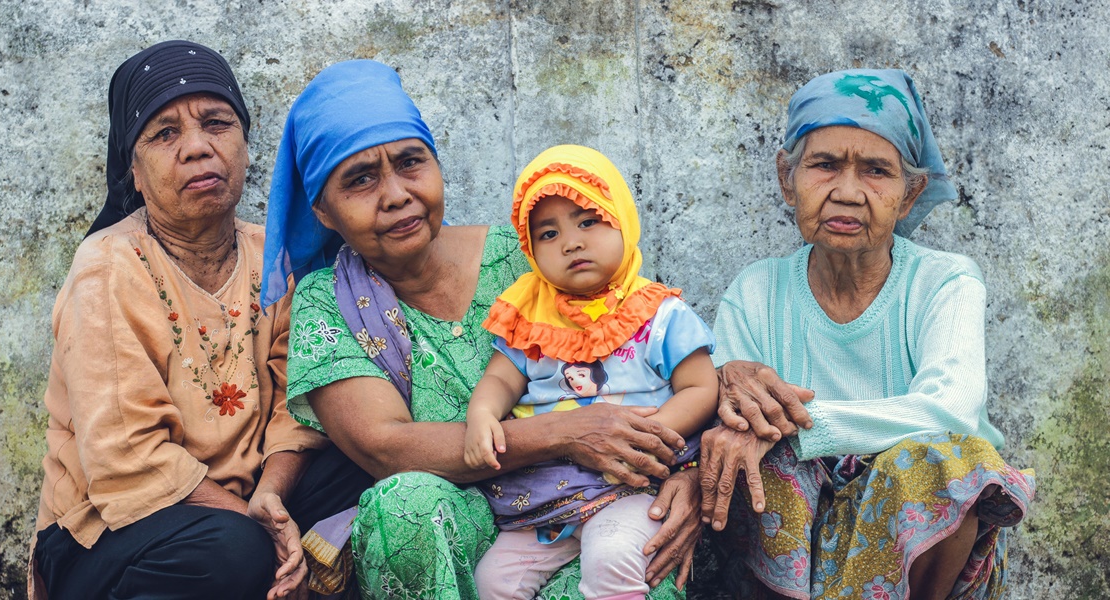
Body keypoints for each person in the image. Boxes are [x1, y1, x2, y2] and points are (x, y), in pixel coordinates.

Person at [262, 60, 705, 599]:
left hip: (608, 501)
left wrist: (688, 470)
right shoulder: (327, 303)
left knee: (631, 566)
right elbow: (385, 448)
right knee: (403, 504)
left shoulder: (532, 251)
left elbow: (655, 351)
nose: (397, 193)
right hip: (463, 525)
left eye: (410, 162)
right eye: (360, 179)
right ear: (323, 212)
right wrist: (566, 433)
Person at [697, 69, 1035, 599]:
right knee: (752, 460)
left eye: (877, 171)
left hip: (919, 551)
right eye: (824, 165)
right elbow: (735, 420)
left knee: (942, 461)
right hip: (788, 553)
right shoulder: (757, 290)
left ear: (909, 194)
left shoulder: (944, 280)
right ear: (788, 179)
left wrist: (796, 428)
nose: (848, 193)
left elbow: (950, 411)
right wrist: (748, 415)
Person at [30, 40, 330, 600]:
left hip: (251, 498)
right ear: (135, 174)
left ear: (244, 148)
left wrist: (271, 499)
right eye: (164, 133)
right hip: (115, 532)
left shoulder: (279, 257)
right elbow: (128, 460)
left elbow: (302, 401)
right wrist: (260, 529)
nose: (196, 147)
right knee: (232, 550)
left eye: (216, 123)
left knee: (371, 481)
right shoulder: (108, 268)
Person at [464, 145, 719, 600]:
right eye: (548, 234)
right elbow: (501, 379)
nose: (571, 242)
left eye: (588, 221)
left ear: (623, 220)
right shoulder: (528, 316)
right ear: (531, 249)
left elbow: (701, 387)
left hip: (635, 484)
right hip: (547, 496)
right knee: (493, 580)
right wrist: (482, 414)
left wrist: (646, 432)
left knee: (612, 556)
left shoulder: (658, 313)